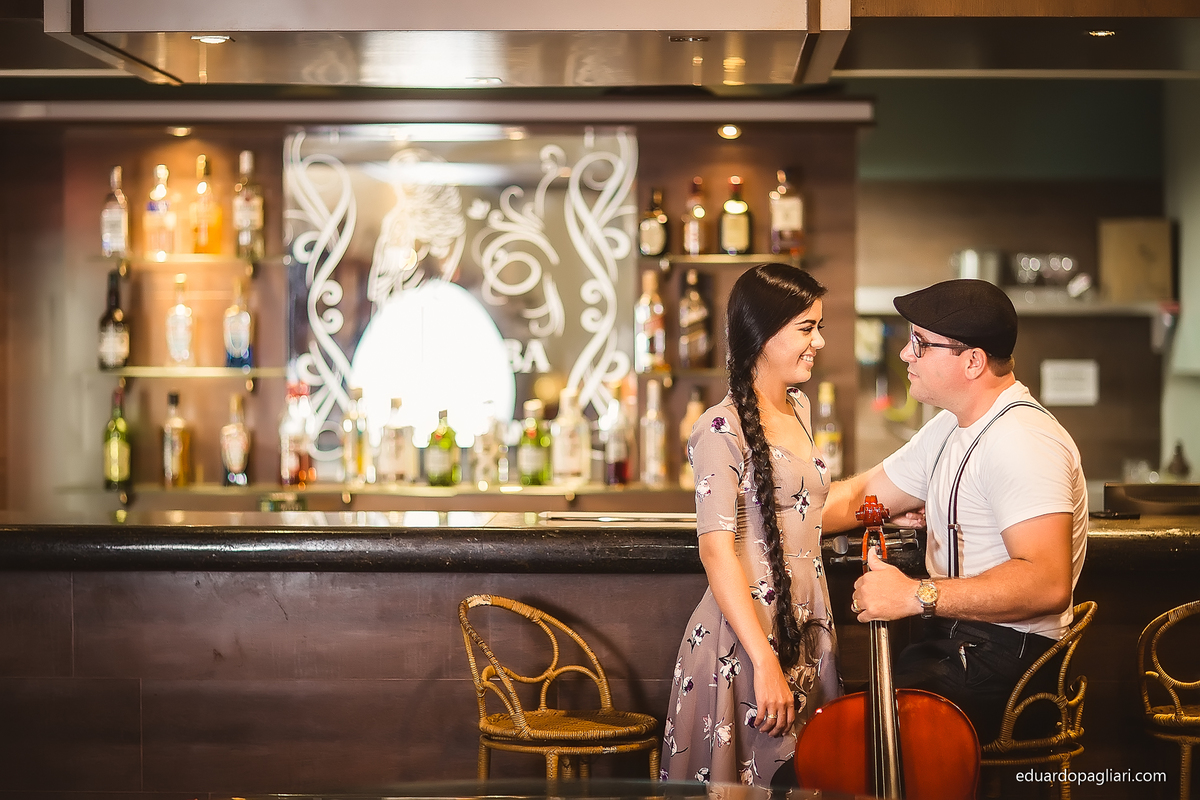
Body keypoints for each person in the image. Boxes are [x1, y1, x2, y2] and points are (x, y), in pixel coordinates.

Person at [823, 279, 1088, 744]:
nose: (906, 355)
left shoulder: (1022, 439)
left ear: (973, 361)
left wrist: (916, 595)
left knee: (844, 741)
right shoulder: (950, 426)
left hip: (1011, 661)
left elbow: (1048, 583)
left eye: (921, 344)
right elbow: (860, 497)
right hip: (958, 645)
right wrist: (765, 518)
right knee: (837, 727)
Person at [661, 263, 841, 786]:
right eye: (807, 328)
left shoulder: (800, 407)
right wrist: (764, 661)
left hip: (805, 630)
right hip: (743, 645)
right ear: (762, 333)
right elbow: (716, 551)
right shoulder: (719, 427)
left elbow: (800, 515)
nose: (819, 343)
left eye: (819, 327)